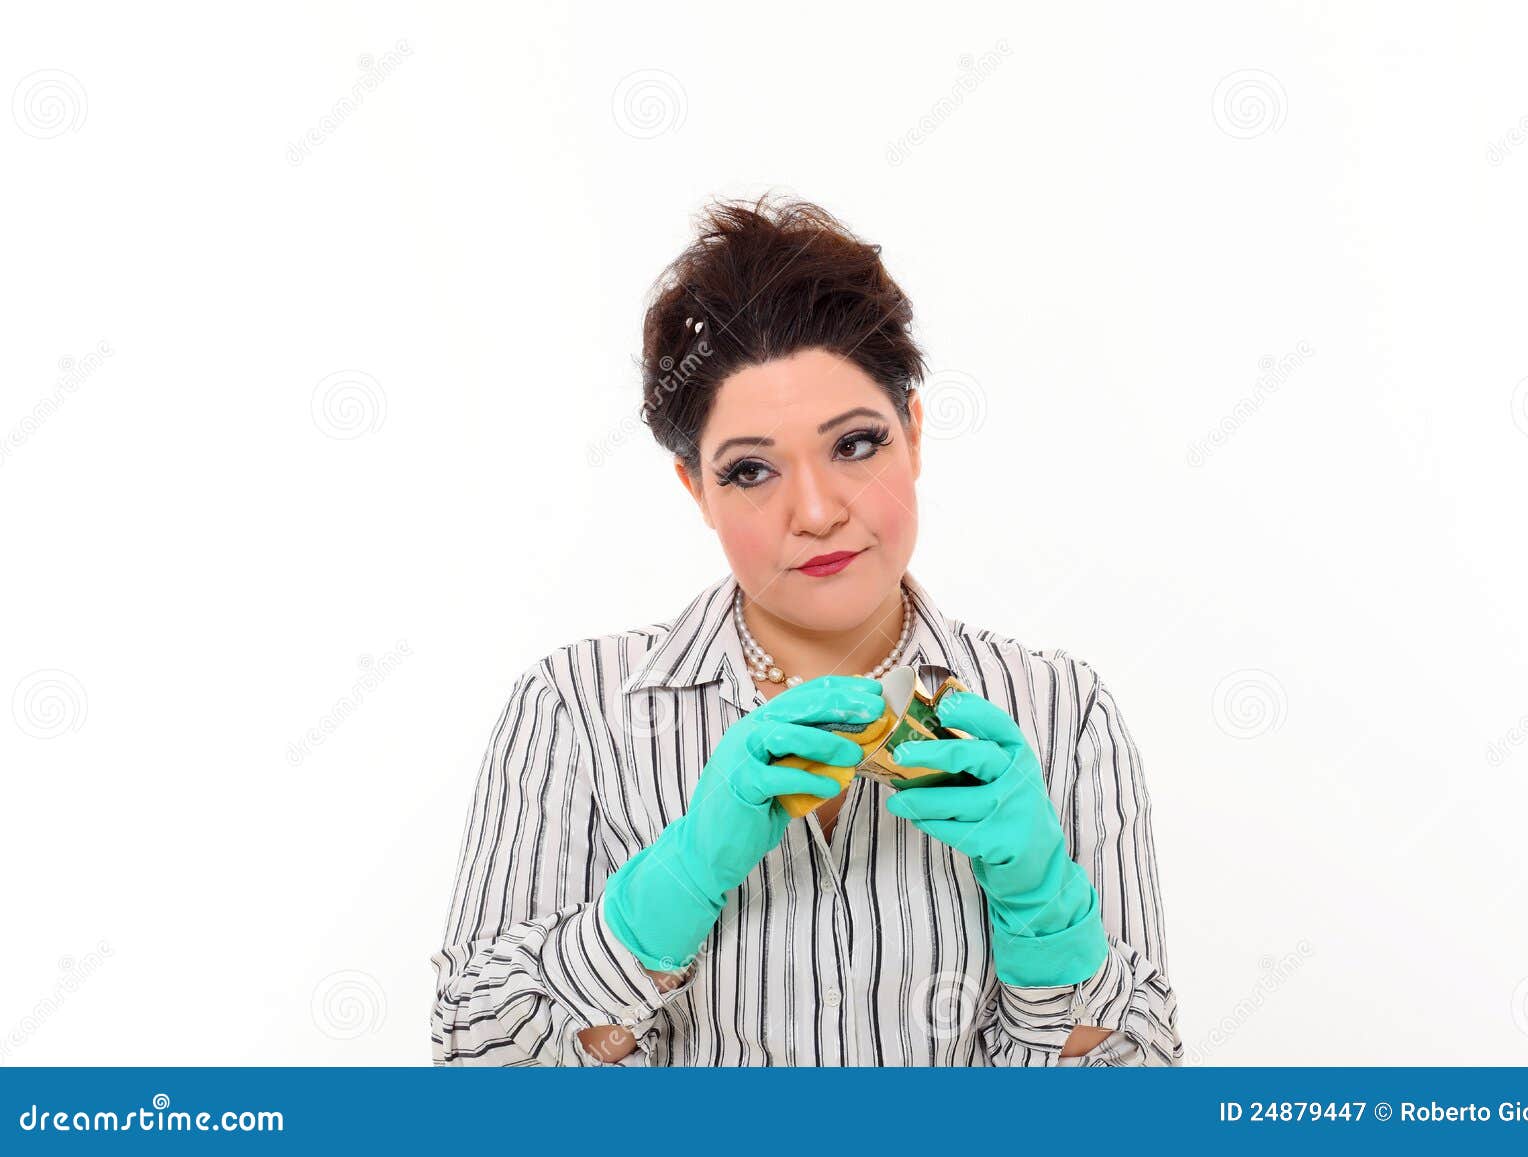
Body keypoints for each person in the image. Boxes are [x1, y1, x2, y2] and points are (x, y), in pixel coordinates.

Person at [429, 194, 1182, 1066]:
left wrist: (1052, 926)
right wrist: (663, 894)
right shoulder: (574, 710)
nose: (817, 511)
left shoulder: (1064, 713)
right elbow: (472, 1073)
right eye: (750, 470)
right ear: (694, 489)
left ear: (915, 432)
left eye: (855, 445)